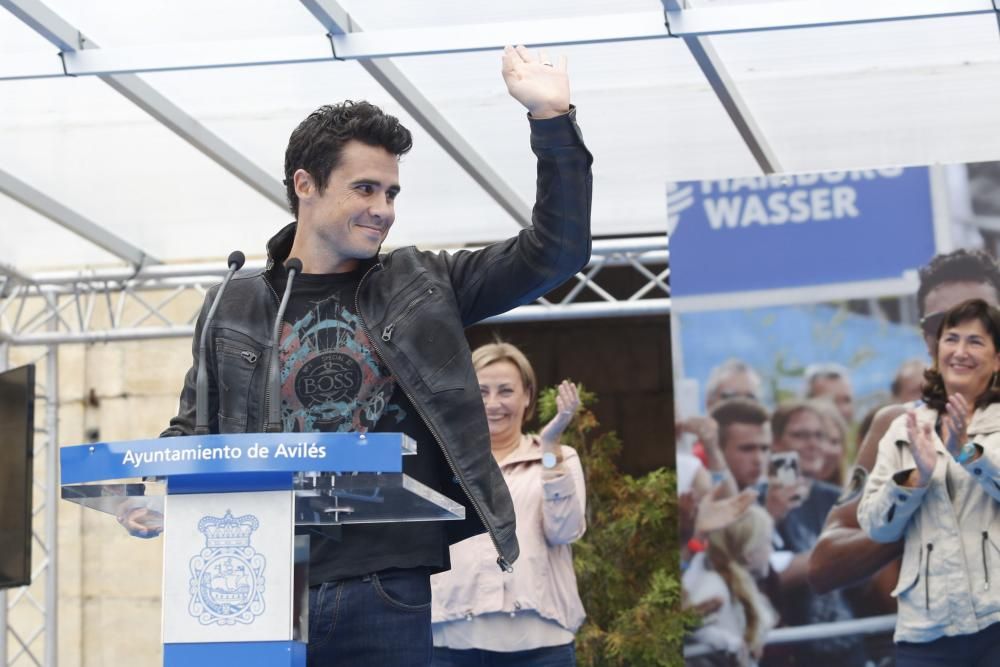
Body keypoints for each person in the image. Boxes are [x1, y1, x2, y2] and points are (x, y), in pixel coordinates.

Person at [141, 46, 592, 666]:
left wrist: (552, 121)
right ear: (306, 185)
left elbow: (555, 253)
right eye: (364, 188)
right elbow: (195, 429)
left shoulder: (424, 284)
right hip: (258, 578)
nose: (384, 209)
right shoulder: (236, 303)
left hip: (384, 585)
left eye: (391, 192)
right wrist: (151, 487)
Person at [809, 249, 1000, 599]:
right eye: (942, 324)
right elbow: (825, 564)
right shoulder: (898, 425)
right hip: (945, 644)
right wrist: (913, 502)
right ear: (927, 337)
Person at [858, 298, 1000, 665]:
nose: (960, 351)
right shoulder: (903, 426)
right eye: (951, 339)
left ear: (998, 359)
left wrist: (968, 452)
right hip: (926, 632)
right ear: (937, 352)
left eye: (976, 342)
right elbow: (876, 526)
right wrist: (913, 479)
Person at [430, 343, 585, 666]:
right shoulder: (440, 461)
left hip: (541, 649)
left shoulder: (555, 456)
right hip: (450, 646)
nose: (493, 403)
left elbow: (565, 532)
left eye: (505, 391)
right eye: (482, 391)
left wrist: (550, 445)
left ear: (527, 395)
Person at [764, 401, 867, 667]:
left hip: (848, 649)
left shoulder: (839, 499)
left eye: (818, 435)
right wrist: (770, 516)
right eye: (800, 435)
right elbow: (762, 575)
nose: (812, 443)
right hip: (789, 653)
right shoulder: (755, 500)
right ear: (775, 442)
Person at [684, 505, 778, 667]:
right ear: (750, 553)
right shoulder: (713, 585)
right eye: (768, 542)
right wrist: (730, 645)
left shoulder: (740, 586)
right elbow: (689, 630)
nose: (772, 550)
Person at [710, 398, 772, 491]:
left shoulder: (774, 496)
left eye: (764, 449)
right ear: (718, 449)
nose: (759, 460)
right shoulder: (695, 496)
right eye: (747, 449)